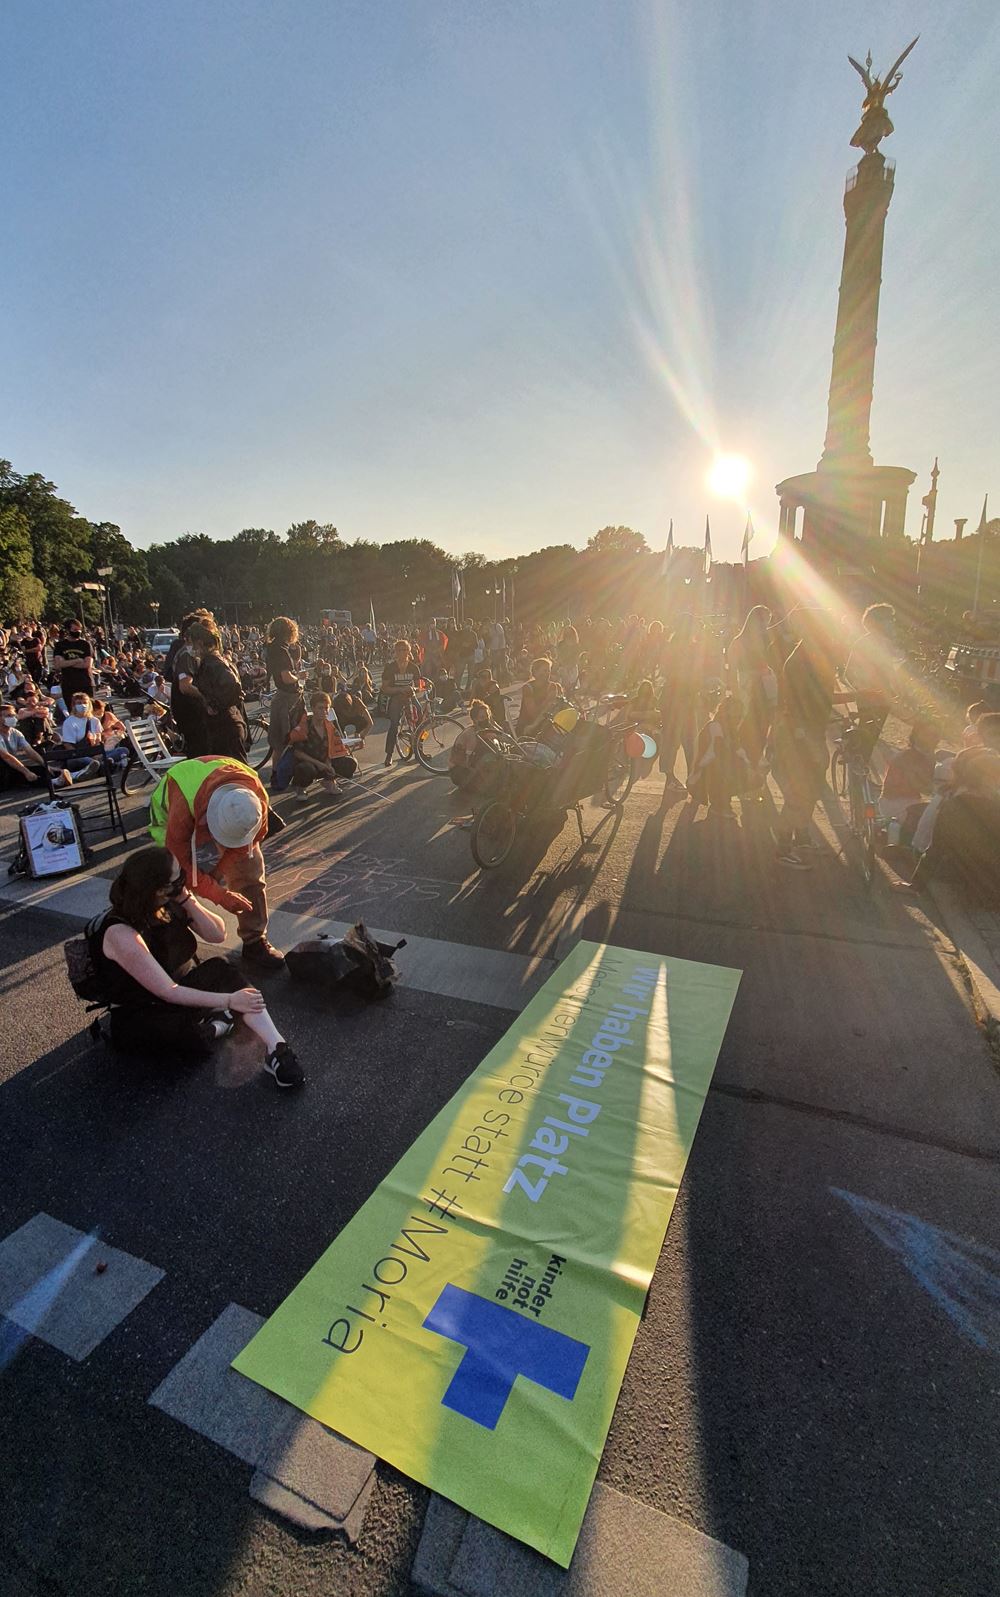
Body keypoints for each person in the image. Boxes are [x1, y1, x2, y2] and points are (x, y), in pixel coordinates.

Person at [88, 846, 302, 1086]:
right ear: (159, 890)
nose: (184, 879)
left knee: (222, 968)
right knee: (190, 1040)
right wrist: (230, 1000)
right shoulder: (121, 933)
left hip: (180, 988)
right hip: (143, 1010)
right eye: (177, 877)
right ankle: (219, 1023)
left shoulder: (168, 902)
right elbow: (167, 991)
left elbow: (217, 934)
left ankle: (277, 1047)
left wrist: (187, 899)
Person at [149, 755, 286, 971]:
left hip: (212, 801)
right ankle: (170, 943)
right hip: (176, 810)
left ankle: (254, 941)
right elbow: (183, 864)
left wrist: (215, 875)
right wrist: (219, 895)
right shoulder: (183, 806)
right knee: (173, 877)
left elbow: (245, 845)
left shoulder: (254, 801)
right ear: (208, 819)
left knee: (249, 870)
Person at [772, 610, 855, 869]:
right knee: (799, 793)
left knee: (809, 791)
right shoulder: (801, 662)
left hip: (810, 733)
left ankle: (800, 836)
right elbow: (796, 702)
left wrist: (857, 697)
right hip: (801, 735)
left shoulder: (813, 658)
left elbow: (823, 697)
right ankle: (783, 847)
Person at [905, 749, 1000, 905]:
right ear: (984, 779)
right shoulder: (961, 807)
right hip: (975, 883)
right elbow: (937, 848)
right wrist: (916, 885)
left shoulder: (957, 800)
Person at [843, 603, 898, 761]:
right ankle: (858, 770)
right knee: (867, 736)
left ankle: (861, 768)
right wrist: (865, 689)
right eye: (888, 619)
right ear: (877, 622)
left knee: (871, 737)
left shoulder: (886, 644)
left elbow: (890, 672)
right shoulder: (863, 644)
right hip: (869, 697)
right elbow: (849, 673)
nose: (891, 623)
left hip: (882, 698)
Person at [191, 622, 249, 761]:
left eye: (193, 644)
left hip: (225, 725)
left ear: (199, 643)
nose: (192, 648)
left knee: (236, 772)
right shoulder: (217, 660)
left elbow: (233, 687)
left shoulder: (213, 663)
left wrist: (214, 705)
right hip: (226, 723)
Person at [686, 693, 749, 816]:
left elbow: (738, 750)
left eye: (740, 714)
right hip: (703, 774)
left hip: (712, 769)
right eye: (735, 713)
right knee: (726, 764)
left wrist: (751, 766)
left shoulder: (730, 729)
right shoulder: (715, 726)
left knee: (745, 770)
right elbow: (718, 751)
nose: (738, 717)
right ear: (726, 712)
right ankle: (718, 802)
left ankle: (723, 799)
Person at [288, 691, 359, 798]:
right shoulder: (304, 726)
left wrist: (328, 763)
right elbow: (298, 753)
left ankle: (329, 781)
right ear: (313, 708)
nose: (324, 711)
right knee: (305, 769)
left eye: (326, 708)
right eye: (320, 708)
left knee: (350, 763)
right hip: (309, 762)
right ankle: (301, 788)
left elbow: (333, 748)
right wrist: (319, 764)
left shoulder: (330, 727)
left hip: (325, 760)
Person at [168, 610, 213, 756]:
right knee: (200, 750)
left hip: (187, 709)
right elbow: (185, 686)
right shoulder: (188, 654)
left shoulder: (184, 651)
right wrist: (207, 696)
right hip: (190, 711)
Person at [265, 617, 305, 767]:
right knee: (288, 738)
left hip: (281, 696)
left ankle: (277, 773)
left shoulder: (271, 648)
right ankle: (281, 773)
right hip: (288, 698)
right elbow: (286, 678)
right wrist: (299, 676)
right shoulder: (281, 650)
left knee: (280, 741)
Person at [0, 705, 61, 791]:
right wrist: (26, 772)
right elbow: (6, 756)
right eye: (8, 716)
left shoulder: (15, 733)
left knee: (43, 770)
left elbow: (29, 751)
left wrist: (46, 766)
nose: (12, 718)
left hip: (9, 765)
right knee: (20, 773)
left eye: (13, 715)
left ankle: (62, 775)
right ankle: (52, 783)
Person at [380, 639, 418, 767]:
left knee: (421, 721)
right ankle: (389, 754)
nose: (403, 653)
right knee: (394, 724)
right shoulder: (391, 667)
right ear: (396, 652)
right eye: (400, 650)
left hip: (409, 696)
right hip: (396, 697)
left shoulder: (413, 667)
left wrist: (414, 689)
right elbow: (384, 688)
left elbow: (419, 685)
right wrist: (400, 689)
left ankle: (420, 749)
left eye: (405, 650)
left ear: (409, 651)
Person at [52, 618, 95, 705]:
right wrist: (77, 660)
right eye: (75, 630)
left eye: (79, 630)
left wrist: (66, 663)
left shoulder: (85, 644)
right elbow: (57, 664)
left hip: (85, 683)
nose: (78, 632)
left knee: (88, 710)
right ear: (68, 630)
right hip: (68, 684)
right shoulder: (60, 645)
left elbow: (87, 664)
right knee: (72, 710)